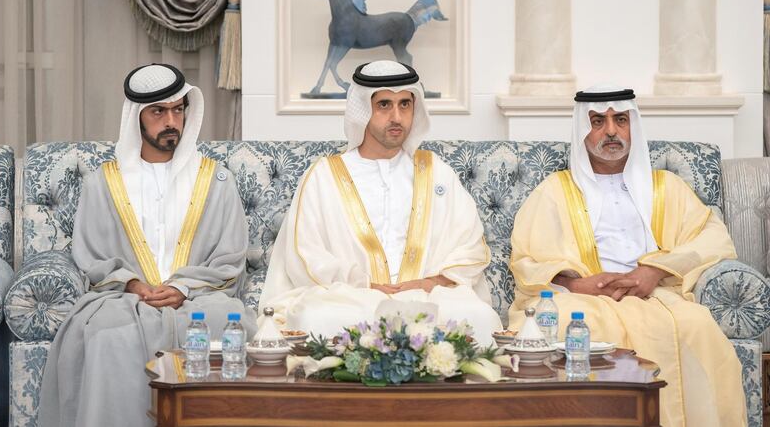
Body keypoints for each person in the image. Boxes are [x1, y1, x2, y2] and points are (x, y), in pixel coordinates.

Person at [509, 85, 746, 427]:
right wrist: (577, 283)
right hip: (585, 297)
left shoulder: (665, 186)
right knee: (556, 322)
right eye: (597, 121)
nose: (610, 131)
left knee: (696, 325)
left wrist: (654, 270)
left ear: (632, 125)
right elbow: (527, 257)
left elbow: (711, 237)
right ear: (582, 130)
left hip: (654, 293)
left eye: (620, 120)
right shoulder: (556, 189)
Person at [38, 64, 257, 427]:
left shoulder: (217, 180)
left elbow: (230, 257)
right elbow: (92, 256)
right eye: (159, 111)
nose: (171, 120)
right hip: (124, 298)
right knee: (107, 333)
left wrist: (182, 287)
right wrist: (134, 285)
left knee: (224, 321)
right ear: (136, 119)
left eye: (178, 110)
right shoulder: (102, 183)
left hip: (197, 298)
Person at [259, 60, 502, 343]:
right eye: (384, 105)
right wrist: (368, 287)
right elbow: (305, 254)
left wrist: (428, 283)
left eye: (405, 105)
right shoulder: (324, 175)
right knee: (316, 319)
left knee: (481, 318)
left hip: (428, 298)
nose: (397, 117)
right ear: (362, 110)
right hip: (351, 299)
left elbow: (470, 245)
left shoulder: (436, 172)